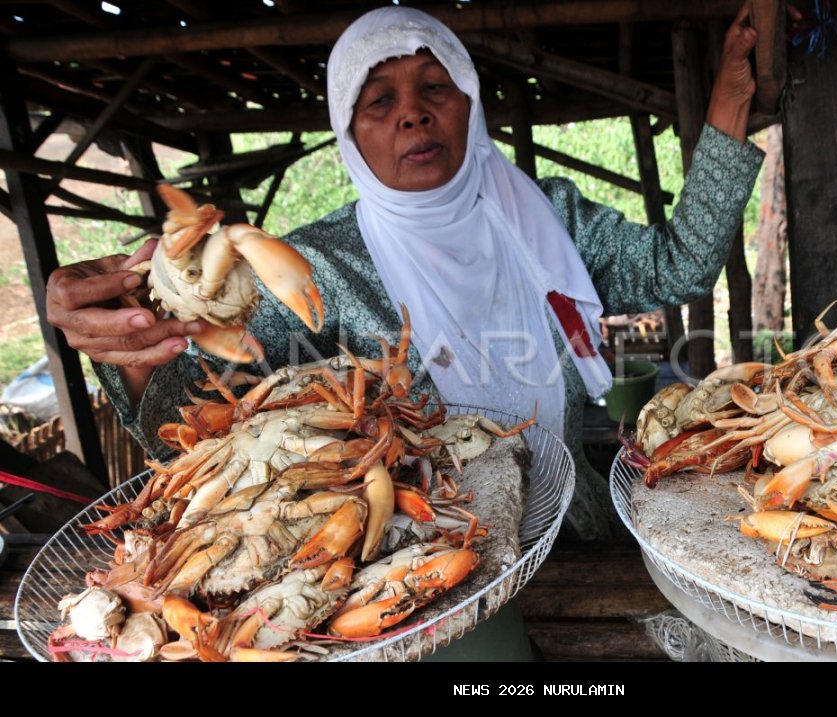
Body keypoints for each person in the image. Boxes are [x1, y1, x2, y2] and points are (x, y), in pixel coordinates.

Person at [46, 6, 764, 543]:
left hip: (573, 533)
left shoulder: (546, 220)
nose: (414, 115)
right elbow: (200, 430)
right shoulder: (312, 268)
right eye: (379, 100)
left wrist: (730, 97)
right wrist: (136, 343)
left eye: (435, 87)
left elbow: (680, 265)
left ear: (469, 102)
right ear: (348, 130)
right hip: (419, 571)